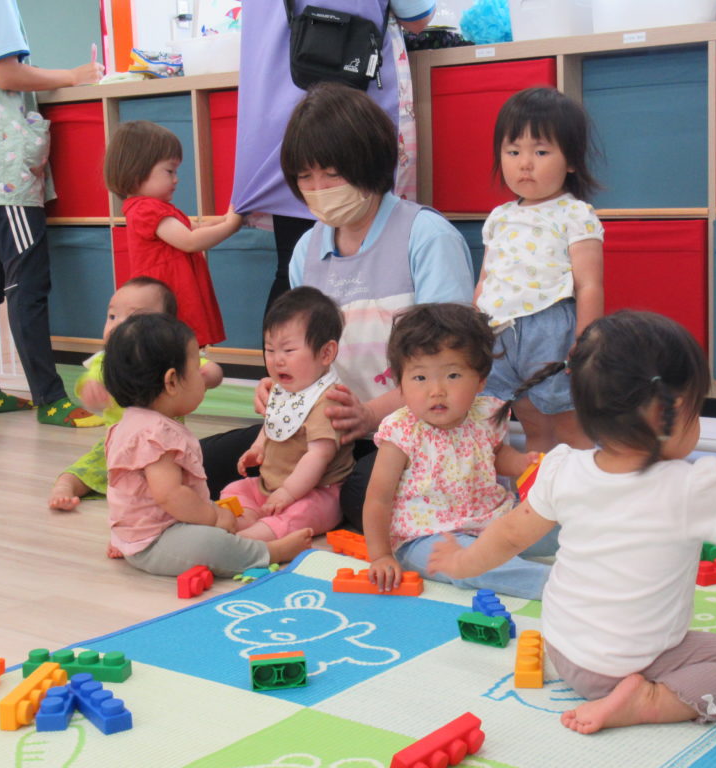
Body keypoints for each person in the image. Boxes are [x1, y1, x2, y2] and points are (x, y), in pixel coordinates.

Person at [430, 310, 716, 735]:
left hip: (565, 650)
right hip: (623, 666)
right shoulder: (690, 489)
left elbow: (508, 535)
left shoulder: (562, 468)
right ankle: (647, 701)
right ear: (672, 413)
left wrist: (461, 562)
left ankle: (622, 689)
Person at [200, 83, 475, 531]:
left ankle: (307, 506)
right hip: (322, 433)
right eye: (305, 178)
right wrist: (282, 386)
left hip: (412, 430)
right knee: (204, 463)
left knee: (360, 495)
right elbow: (301, 351)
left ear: (369, 163)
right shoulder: (306, 250)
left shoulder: (426, 237)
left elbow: (454, 364)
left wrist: (369, 415)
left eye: (331, 174)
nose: (318, 189)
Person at [0, 0, 104, 426]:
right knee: (27, 281)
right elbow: (6, 74)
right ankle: (50, 398)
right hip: (2, 163)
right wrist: (74, 76)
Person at [232, 0, 435, 328]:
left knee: (291, 270)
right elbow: (418, 17)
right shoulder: (428, 233)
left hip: (276, 113)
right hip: (351, 113)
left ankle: (291, 361)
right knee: (376, 259)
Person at [102, 313, 312, 577]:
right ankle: (269, 552)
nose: (203, 375)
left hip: (138, 533)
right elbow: (170, 495)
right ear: (172, 381)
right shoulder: (156, 433)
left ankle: (128, 542)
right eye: (196, 367)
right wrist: (213, 517)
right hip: (157, 541)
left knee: (213, 518)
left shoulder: (129, 422)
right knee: (211, 544)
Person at [364, 303, 551, 599]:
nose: (436, 390)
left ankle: (612, 553)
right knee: (474, 566)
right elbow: (378, 499)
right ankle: (557, 585)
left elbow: (495, 455)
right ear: (400, 384)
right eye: (420, 378)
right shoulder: (401, 431)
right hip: (426, 537)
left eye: (452, 376)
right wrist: (381, 555)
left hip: (494, 519)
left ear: (480, 380)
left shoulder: (484, 414)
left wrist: (520, 463)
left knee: (553, 520)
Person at [475, 87, 605, 453]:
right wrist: (474, 328)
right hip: (499, 332)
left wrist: (587, 338)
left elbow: (590, 285)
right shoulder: (500, 216)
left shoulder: (575, 213)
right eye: (513, 151)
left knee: (569, 423)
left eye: (541, 152)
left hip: (550, 330)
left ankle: (586, 485)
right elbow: (486, 280)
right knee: (531, 424)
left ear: (572, 160)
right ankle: (536, 486)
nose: (525, 163)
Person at [48, 277, 224, 511]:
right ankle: (65, 486)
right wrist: (93, 391)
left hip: (166, 442)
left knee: (184, 471)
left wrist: (208, 375)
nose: (118, 325)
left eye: (134, 317)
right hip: (124, 443)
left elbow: (209, 369)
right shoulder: (108, 361)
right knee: (89, 467)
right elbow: (89, 383)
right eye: (112, 316)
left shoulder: (178, 356)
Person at [219, 287, 354, 540]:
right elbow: (273, 422)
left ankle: (251, 539)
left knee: (301, 513)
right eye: (270, 350)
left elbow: (318, 456)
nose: (277, 360)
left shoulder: (327, 399)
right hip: (270, 486)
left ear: (326, 353)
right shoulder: (283, 388)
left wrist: (288, 493)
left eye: (288, 350)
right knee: (236, 489)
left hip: (318, 492)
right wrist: (257, 448)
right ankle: (244, 521)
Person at [103, 120, 243, 348]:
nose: (176, 179)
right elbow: (190, 241)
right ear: (137, 172)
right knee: (175, 346)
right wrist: (232, 225)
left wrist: (228, 218)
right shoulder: (146, 209)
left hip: (174, 291)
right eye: (170, 171)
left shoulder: (154, 207)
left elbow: (194, 228)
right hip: (167, 295)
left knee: (181, 347)